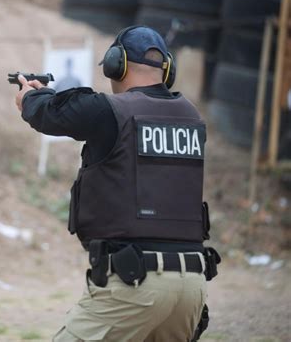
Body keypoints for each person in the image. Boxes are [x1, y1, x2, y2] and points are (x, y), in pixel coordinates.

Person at [14, 26, 220, 342]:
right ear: (167, 69)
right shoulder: (192, 118)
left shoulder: (112, 111)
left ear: (116, 64)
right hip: (192, 284)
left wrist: (30, 94)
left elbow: (49, 114)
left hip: (135, 281)